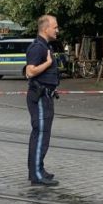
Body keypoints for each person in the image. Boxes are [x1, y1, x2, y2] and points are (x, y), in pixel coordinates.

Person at [26, 15, 60, 186]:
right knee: (40, 135)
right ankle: (36, 175)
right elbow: (30, 72)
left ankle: (38, 169)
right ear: (46, 28)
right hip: (39, 97)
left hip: (46, 96)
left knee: (42, 136)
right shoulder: (37, 48)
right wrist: (47, 64)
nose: (57, 30)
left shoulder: (45, 46)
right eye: (55, 27)